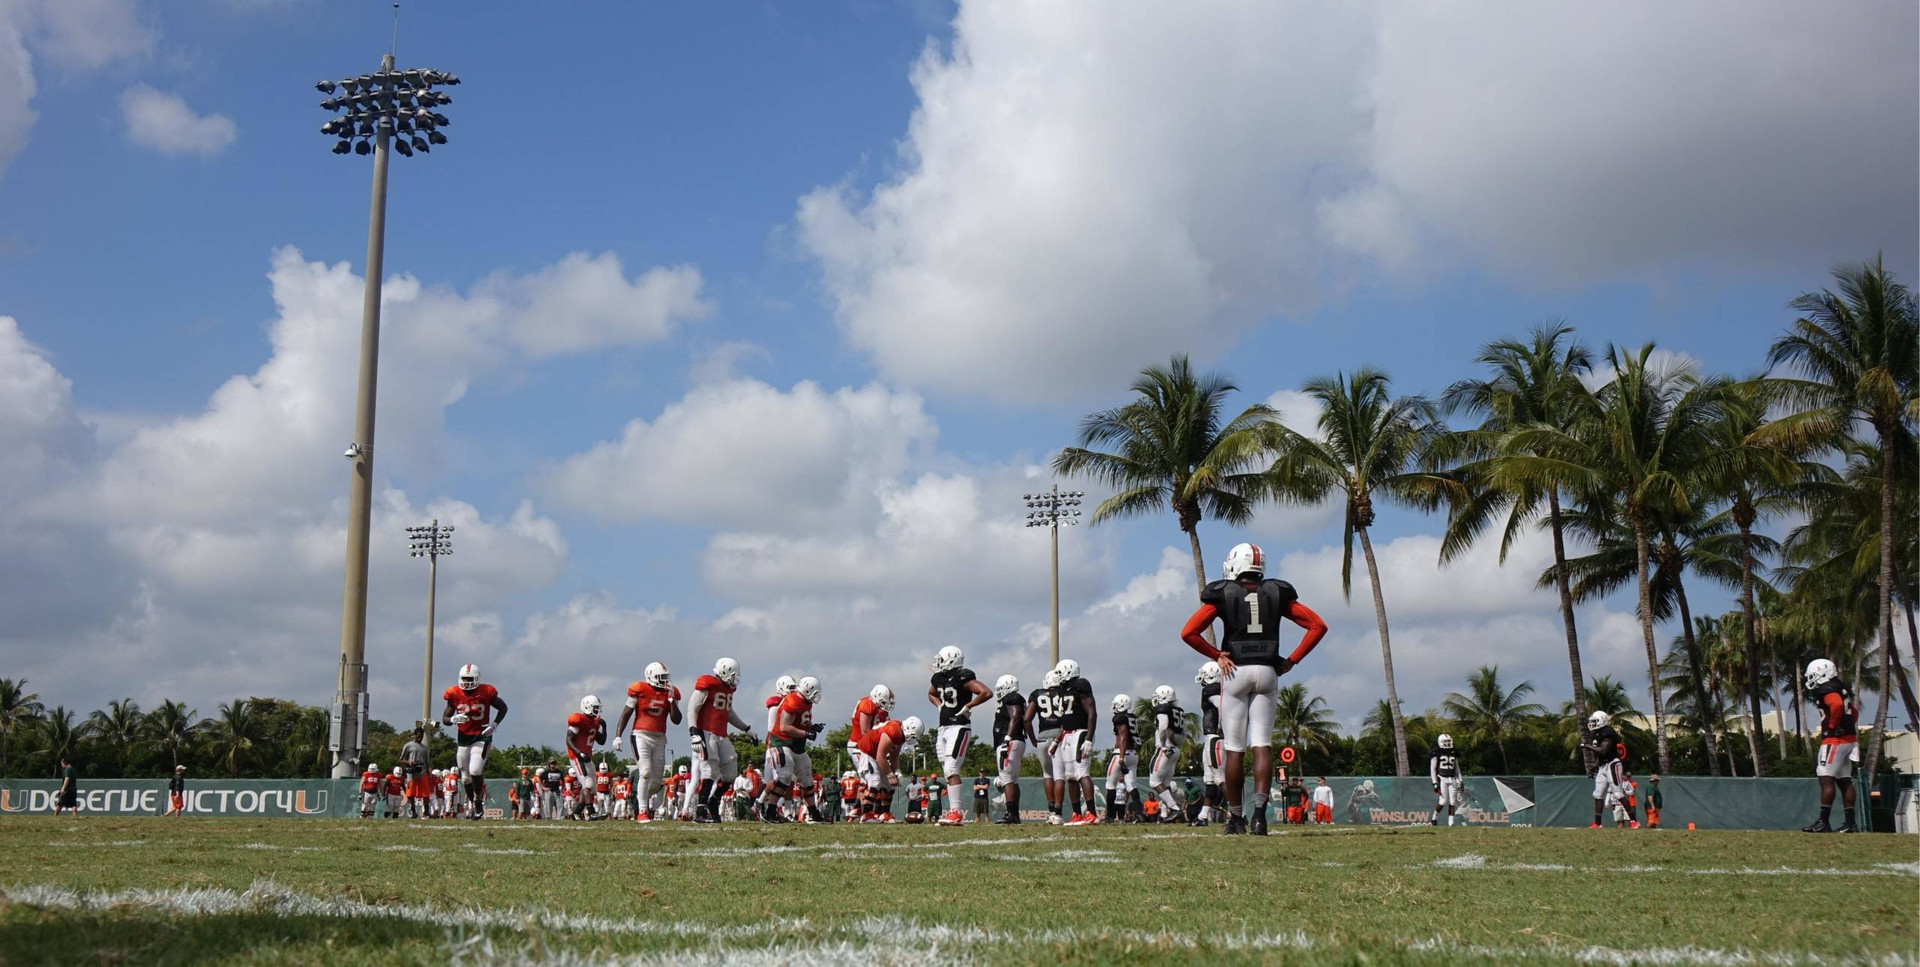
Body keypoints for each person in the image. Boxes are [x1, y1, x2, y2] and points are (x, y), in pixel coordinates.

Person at [1180, 542, 1329, 836]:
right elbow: (1317, 625)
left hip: (1235, 671)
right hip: (1267, 670)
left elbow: (1188, 632)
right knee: (1262, 744)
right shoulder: (1277, 592)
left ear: (1235, 565)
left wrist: (1216, 655)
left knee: (1235, 748)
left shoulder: (1222, 593)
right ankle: (1260, 817)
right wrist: (1292, 661)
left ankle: (1236, 818)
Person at [927, 646, 993, 827]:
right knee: (946, 770)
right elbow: (931, 693)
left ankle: (956, 812)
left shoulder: (963, 676)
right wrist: (939, 705)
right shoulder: (939, 678)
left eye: (941, 659)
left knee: (951, 769)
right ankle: (953, 812)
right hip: (943, 729)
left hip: (959, 727)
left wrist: (969, 706)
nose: (938, 662)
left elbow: (986, 692)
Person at [689, 658, 756, 824]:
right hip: (706, 731)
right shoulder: (707, 683)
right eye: (732, 675)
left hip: (721, 733)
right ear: (724, 671)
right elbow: (692, 707)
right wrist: (693, 731)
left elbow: (728, 712)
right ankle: (701, 810)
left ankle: (713, 802)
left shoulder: (727, 690)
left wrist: (746, 728)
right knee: (709, 771)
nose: (734, 679)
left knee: (730, 771)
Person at [615, 661, 683, 824]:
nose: (665, 681)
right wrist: (618, 736)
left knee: (657, 781)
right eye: (661, 677)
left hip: (660, 737)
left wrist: (672, 701)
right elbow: (626, 714)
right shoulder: (640, 690)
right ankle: (643, 812)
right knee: (645, 772)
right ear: (651, 677)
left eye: (666, 677)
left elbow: (677, 720)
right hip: (640, 735)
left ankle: (638, 800)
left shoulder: (671, 692)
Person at [441, 663, 508, 820]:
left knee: (475, 770)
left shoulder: (486, 692)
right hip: (463, 737)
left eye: (469, 679)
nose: (466, 682)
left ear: (477, 679)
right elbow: (444, 719)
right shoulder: (454, 693)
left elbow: (503, 708)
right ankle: (472, 803)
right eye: (464, 678)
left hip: (482, 735)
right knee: (465, 777)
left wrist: (495, 724)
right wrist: (452, 719)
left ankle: (478, 801)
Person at [1803, 658, 1861, 833]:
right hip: (1849, 739)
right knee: (1844, 781)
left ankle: (1823, 821)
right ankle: (1850, 823)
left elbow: (1835, 704)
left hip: (1835, 741)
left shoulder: (1828, 688)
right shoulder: (1841, 687)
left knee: (1825, 778)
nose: (1811, 679)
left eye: (1813, 675)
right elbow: (1854, 712)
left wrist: (1833, 725)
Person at [1046, 658, 1099, 826]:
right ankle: (1077, 813)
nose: (1059, 676)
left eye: (1061, 672)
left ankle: (1091, 813)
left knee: (1081, 772)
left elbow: (1092, 712)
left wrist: (1089, 739)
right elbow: (1066, 720)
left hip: (1080, 733)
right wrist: (1056, 740)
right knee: (1070, 777)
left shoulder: (1080, 685)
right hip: (1067, 735)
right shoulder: (1063, 690)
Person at [765, 676, 825, 824]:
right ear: (806, 689)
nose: (815, 696)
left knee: (807, 778)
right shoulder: (793, 701)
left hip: (797, 746)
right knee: (784, 776)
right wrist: (806, 733)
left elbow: (801, 720)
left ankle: (813, 813)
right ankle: (770, 812)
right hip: (782, 743)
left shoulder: (804, 702)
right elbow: (785, 727)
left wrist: (812, 726)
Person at [857, 715, 923, 822]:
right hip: (868, 752)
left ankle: (885, 814)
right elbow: (880, 756)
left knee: (888, 786)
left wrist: (897, 772)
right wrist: (890, 775)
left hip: (877, 755)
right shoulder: (894, 731)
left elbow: (894, 756)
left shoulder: (900, 735)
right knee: (874, 782)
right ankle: (866, 815)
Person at [757, 675, 799, 821]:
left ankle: (786, 811)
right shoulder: (776, 705)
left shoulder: (793, 704)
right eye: (790, 689)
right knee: (778, 780)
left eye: (794, 689)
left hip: (786, 745)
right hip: (776, 746)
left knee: (788, 780)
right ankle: (761, 803)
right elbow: (772, 728)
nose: (793, 692)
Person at [1025, 670, 1065, 823]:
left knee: (1047, 775)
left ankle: (1051, 812)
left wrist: (1033, 739)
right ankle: (1058, 813)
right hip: (1060, 736)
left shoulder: (1037, 694)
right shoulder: (1064, 693)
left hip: (1042, 737)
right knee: (1059, 775)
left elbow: (1027, 719)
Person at [1191, 661, 1227, 826]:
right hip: (1210, 739)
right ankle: (1203, 816)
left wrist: (1222, 728)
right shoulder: (1215, 688)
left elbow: (1223, 706)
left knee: (1219, 778)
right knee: (1210, 782)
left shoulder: (1212, 689)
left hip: (1214, 738)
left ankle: (1237, 812)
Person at [1146, 685, 1187, 824]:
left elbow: (1163, 727)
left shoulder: (1163, 709)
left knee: (1154, 781)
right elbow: (1183, 733)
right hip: (1175, 750)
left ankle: (1175, 809)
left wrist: (1163, 745)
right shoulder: (1179, 711)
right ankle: (1167, 812)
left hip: (1165, 749)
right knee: (1166, 783)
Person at [989, 675, 1027, 825]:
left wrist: (1007, 739)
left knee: (1006, 777)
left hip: (1010, 741)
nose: (998, 692)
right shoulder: (1011, 699)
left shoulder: (1012, 698)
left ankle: (1011, 814)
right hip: (1014, 741)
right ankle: (1014, 814)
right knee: (1012, 779)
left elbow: (1016, 717)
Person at [1582, 710, 1626, 828]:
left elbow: (1603, 750)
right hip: (1603, 765)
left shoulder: (1607, 732)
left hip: (1612, 764)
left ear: (1602, 720)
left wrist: (1586, 746)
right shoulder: (1597, 734)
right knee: (1597, 794)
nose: (1592, 724)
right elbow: (1601, 755)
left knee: (1617, 794)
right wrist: (1594, 766)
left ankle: (1634, 821)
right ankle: (1597, 823)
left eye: (1595, 721)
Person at [1103, 693, 1138, 823]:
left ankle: (1110, 816)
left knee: (1110, 784)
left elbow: (1123, 738)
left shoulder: (1120, 718)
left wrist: (1121, 758)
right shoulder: (1132, 718)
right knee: (1132, 786)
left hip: (1120, 753)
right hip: (1134, 754)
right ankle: (1139, 814)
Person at [1430, 733, 1462, 827]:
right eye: (1445, 741)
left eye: (1448, 741)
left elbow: (1457, 768)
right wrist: (1435, 783)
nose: (1447, 743)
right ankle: (1434, 818)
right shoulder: (1437, 752)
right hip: (1442, 778)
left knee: (1453, 801)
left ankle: (1451, 823)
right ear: (1440, 742)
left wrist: (1460, 780)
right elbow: (1433, 768)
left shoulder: (1453, 752)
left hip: (1452, 778)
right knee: (1443, 801)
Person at [399, 728, 432, 819]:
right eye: (418, 736)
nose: (419, 738)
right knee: (410, 793)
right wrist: (409, 762)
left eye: (421, 736)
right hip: (411, 773)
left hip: (423, 771)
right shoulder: (408, 746)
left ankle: (426, 812)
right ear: (414, 735)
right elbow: (401, 759)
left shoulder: (425, 748)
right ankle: (413, 812)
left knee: (425, 793)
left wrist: (429, 773)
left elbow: (427, 761)